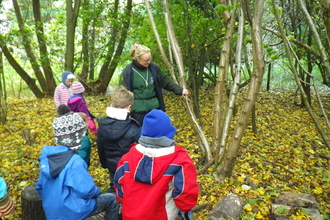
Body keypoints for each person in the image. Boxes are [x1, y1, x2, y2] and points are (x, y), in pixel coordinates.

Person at [114, 109, 199, 220]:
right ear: (168, 130)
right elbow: (186, 195)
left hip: (130, 215)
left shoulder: (128, 158)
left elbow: (120, 190)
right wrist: (185, 210)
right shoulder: (180, 160)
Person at [35, 112, 119, 220]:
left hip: (52, 211)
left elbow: (39, 187)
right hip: (73, 211)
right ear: (78, 136)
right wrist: (96, 191)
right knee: (112, 200)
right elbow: (87, 191)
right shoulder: (75, 161)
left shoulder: (46, 158)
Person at [120, 43, 189, 125]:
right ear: (138, 58)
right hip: (137, 113)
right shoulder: (128, 71)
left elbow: (166, 81)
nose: (149, 62)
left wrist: (180, 90)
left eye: (150, 59)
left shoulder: (153, 68)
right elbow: (122, 93)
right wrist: (124, 112)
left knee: (157, 135)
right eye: (146, 60)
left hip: (155, 110)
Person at [97, 86, 141, 193]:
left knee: (114, 185)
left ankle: (114, 202)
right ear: (129, 106)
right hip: (129, 167)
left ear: (112, 104)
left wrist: (104, 163)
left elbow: (100, 146)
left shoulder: (102, 124)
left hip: (111, 165)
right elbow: (139, 151)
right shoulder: (134, 127)